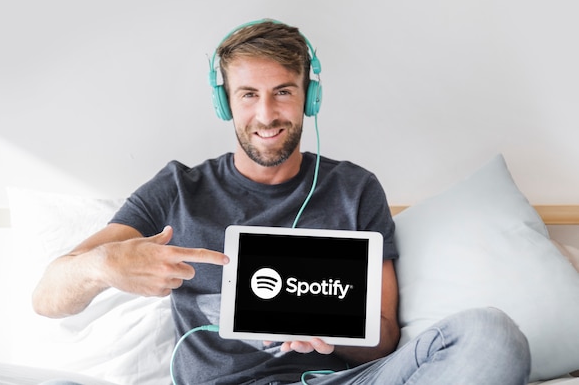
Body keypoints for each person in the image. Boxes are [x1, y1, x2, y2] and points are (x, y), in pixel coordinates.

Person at [33, 19, 531, 385]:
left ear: (309, 98)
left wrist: (336, 338)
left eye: (283, 92)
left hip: (339, 382)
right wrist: (103, 266)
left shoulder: (355, 190)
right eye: (248, 94)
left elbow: (383, 338)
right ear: (225, 101)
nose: (266, 114)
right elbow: (46, 298)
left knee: (490, 332)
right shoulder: (177, 190)